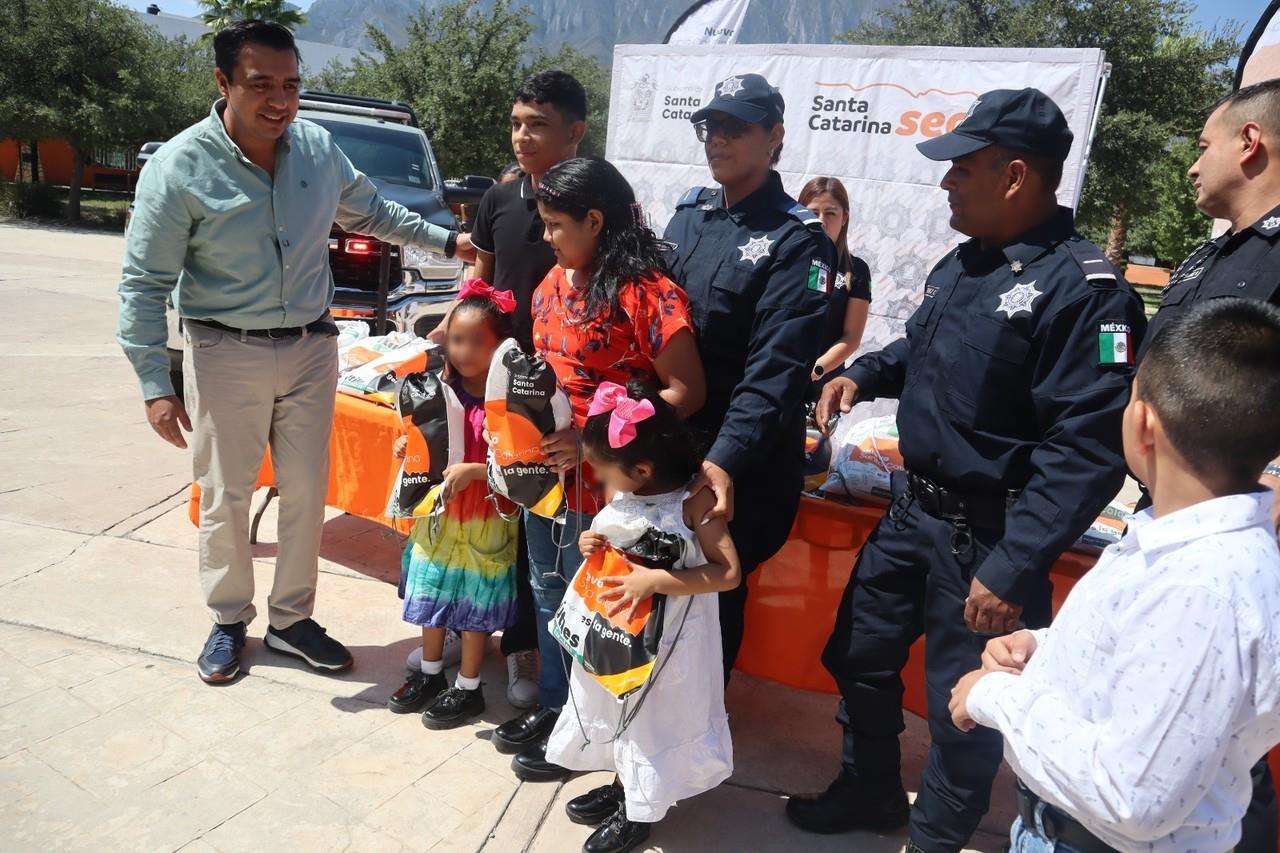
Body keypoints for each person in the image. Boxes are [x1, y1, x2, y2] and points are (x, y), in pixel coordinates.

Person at [789, 88, 1148, 853]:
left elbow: (1085, 448)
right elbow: (920, 350)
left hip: (989, 540)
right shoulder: (963, 265)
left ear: (1015, 175)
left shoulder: (1088, 293)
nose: (947, 183)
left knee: (968, 707)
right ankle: (872, 787)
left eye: (962, 168)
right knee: (858, 651)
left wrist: (1015, 564)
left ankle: (932, 841)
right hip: (909, 515)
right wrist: (866, 373)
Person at [115, 20, 461, 684]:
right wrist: (154, 380)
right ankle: (227, 619)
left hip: (309, 350)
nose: (281, 100)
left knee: (306, 489)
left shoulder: (317, 150)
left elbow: (372, 211)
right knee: (227, 492)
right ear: (223, 83)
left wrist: (448, 244)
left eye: (292, 84)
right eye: (262, 84)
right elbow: (143, 282)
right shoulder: (180, 166)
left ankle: (291, 620)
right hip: (225, 352)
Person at [950, 298, 1280, 853]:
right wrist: (1039, 648)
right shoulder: (1186, 547)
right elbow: (1141, 648)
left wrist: (994, 697)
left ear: (1142, 424)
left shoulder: (1203, 588)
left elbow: (1133, 796)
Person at [492, 157, 705, 785]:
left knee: (596, 608)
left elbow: (686, 391)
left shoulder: (647, 294)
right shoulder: (552, 284)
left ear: (595, 219)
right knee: (549, 592)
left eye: (558, 225)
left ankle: (589, 729)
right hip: (545, 480)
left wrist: (594, 439)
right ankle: (561, 712)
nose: (548, 238)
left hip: (611, 489)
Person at [1133, 77, 1280, 853]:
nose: (1193, 166)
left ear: (1249, 143)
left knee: (1222, 752)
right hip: (1167, 522)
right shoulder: (1209, 255)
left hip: (1232, 539)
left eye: (1203, 145)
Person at [663, 73, 833, 679]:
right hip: (669, 448)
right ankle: (634, 753)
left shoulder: (800, 242)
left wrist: (725, 461)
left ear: (775, 136)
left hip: (739, 465)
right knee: (649, 610)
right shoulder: (689, 215)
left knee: (704, 620)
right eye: (711, 126)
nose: (718, 139)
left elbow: (776, 371)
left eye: (736, 127)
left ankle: (685, 762)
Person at [442, 70, 590, 710]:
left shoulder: (595, 202)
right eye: (516, 123)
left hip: (567, 398)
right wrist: (457, 354)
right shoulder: (499, 201)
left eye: (537, 124)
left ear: (575, 133)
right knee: (503, 518)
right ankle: (491, 637)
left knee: (551, 529)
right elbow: (480, 283)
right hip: (504, 393)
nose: (522, 137)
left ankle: (537, 651)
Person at [545, 380, 739, 853]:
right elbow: (617, 531)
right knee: (617, 708)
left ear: (643, 468)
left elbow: (728, 573)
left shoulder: (693, 506)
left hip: (669, 645)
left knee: (651, 717)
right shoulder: (630, 490)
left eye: (602, 473)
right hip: (617, 632)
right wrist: (593, 543)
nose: (598, 482)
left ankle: (639, 812)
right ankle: (622, 784)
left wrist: (658, 582)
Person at [386, 283, 520, 727]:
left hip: (486, 517)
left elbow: (522, 466)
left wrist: (476, 473)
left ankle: (468, 686)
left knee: (475, 599)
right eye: (456, 340)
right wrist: (406, 444)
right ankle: (430, 673)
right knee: (434, 585)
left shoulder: (509, 403)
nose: (462, 351)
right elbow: (420, 444)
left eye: (476, 342)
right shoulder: (437, 396)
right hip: (441, 516)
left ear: (500, 346)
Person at [798, 177, 872, 388]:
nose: (822, 220)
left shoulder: (856, 270)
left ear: (844, 217)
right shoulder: (783, 260)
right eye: (813, 213)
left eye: (831, 213)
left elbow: (851, 337)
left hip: (821, 381)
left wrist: (817, 368)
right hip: (775, 375)